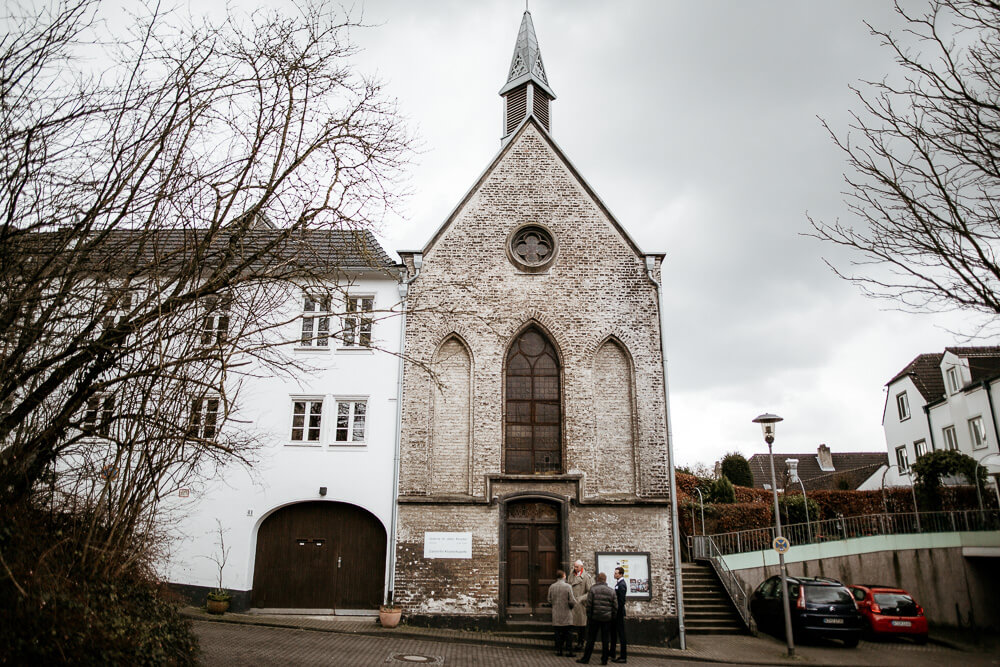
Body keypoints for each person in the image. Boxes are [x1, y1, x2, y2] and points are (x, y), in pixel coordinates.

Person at [576, 572, 616, 665]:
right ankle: (604, 659)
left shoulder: (593, 590)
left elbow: (589, 605)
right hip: (606, 619)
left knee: (591, 639)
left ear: (597, 579)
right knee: (605, 640)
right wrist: (611, 616)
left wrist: (589, 616)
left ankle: (586, 658)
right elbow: (615, 606)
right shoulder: (611, 591)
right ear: (605, 580)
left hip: (594, 618)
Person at [547, 569, 576, 657]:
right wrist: (571, 606)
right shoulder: (568, 587)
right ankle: (569, 651)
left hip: (556, 613)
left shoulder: (552, 586)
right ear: (564, 576)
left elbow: (549, 599)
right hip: (566, 613)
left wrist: (554, 605)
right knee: (568, 633)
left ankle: (559, 650)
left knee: (557, 633)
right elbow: (572, 600)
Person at [567, 559, 593, 650]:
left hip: (580, 605)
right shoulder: (571, 575)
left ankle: (581, 643)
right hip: (571, 604)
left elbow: (590, 592)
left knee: (581, 625)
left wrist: (581, 598)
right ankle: (569, 643)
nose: (575, 568)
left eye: (577, 567)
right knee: (570, 624)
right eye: (574, 566)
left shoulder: (586, 577)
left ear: (581, 567)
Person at [609, 566, 628, 663]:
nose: (614, 574)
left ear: (621, 574)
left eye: (616, 573)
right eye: (614, 572)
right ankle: (612, 652)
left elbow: (621, 601)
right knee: (613, 633)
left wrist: (616, 611)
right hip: (616, 613)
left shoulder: (621, 585)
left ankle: (623, 656)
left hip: (618, 613)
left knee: (621, 634)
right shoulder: (619, 584)